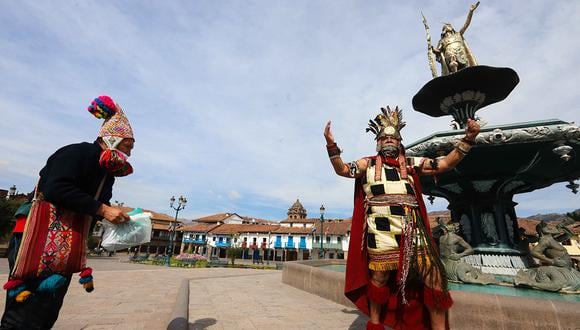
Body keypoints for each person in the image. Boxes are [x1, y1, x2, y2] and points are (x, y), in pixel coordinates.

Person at [324, 106, 480, 330]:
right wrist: (332, 146)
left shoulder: (411, 163)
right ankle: (376, 324)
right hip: (381, 232)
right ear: (378, 142)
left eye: (393, 138)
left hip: (413, 229)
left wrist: (469, 138)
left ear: (399, 142)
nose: (389, 141)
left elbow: (445, 163)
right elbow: (342, 170)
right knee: (379, 280)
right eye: (384, 137)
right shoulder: (366, 164)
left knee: (434, 278)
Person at [1, 95, 134, 329]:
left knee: (48, 309)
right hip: (35, 237)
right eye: (128, 145)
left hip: (65, 244)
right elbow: (56, 188)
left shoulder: (106, 174)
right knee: (22, 312)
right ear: (112, 138)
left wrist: (117, 217)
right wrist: (103, 209)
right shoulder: (76, 153)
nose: (130, 153)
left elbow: (97, 207)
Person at [430, 2, 479, 75]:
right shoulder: (442, 40)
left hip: (461, 53)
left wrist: (470, 12)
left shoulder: (458, 34)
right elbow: (438, 51)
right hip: (450, 55)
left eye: (449, 25)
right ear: (443, 30)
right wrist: (432, 49)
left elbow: (466, 24)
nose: (448, 26)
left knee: (466, 69)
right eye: (446, 26)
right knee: (453, 65)